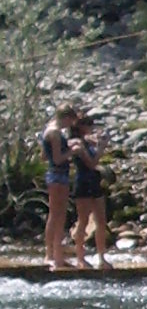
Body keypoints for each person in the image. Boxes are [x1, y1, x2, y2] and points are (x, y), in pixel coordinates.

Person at [41, 102, 81, 271]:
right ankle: (52, 256)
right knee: (58, 215)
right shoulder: (56, 133)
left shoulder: (48, 130)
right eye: (69, 121)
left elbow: (44, 156)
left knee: (55, 214)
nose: (69, 126)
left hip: (54, 174)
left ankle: (55, 254)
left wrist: (68, 145)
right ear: (65, 117)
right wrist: (73, 151)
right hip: (58, 175)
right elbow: (57, 159)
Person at [70, 113, 109, 270]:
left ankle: (102, 257)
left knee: (101, 220)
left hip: (94, 181)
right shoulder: (76, 143)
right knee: (83, 220)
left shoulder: (85, 140)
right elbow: (92, 163)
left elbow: (93, 140)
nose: (91, 127)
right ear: (80, 127)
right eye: (88, 124)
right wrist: (101, 148)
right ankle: (80, 257)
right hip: (83, 182)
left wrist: (100, 140)